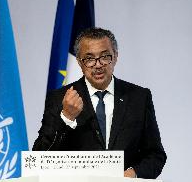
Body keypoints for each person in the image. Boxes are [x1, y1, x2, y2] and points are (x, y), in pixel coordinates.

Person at [33, 27, 167, 179]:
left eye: (104, 57)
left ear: (115, 57)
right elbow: (40, 158)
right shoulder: (59, 99)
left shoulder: (139, 97)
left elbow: (155, 155)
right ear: (79, 62)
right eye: (89, 59)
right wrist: (66, 118)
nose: (98, 65)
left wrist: (133, 174)